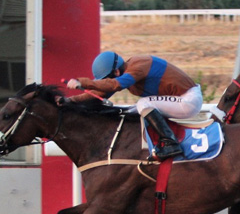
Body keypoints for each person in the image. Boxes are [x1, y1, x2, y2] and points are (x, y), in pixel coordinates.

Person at [67, 51, 202, 161]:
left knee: (143, 104)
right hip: (178, 100)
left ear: (117, 72)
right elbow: (99, 94)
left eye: (106, 79)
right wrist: (69, 101)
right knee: (128, 111)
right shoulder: (125, 72)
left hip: (188, 100)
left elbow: (114, 85)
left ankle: (170, 143)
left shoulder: (138, 66)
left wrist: (82, 82)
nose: (106, 82)